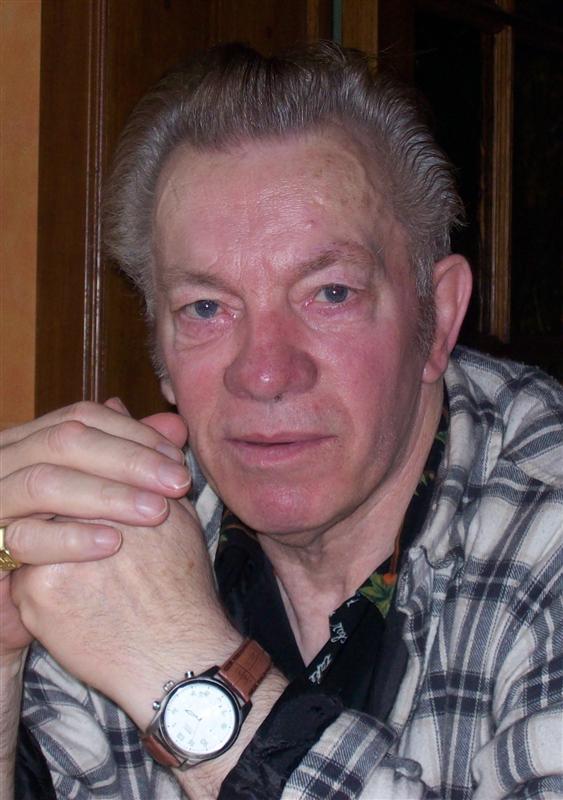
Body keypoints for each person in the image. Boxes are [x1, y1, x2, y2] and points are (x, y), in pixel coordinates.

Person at [1, 42, 562, 800]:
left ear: (435, 321)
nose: (264, 373)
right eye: (206, 307)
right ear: (161, 356)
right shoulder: (123, 533)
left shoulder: (545, 531)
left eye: (329, 294)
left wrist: (190, 680)